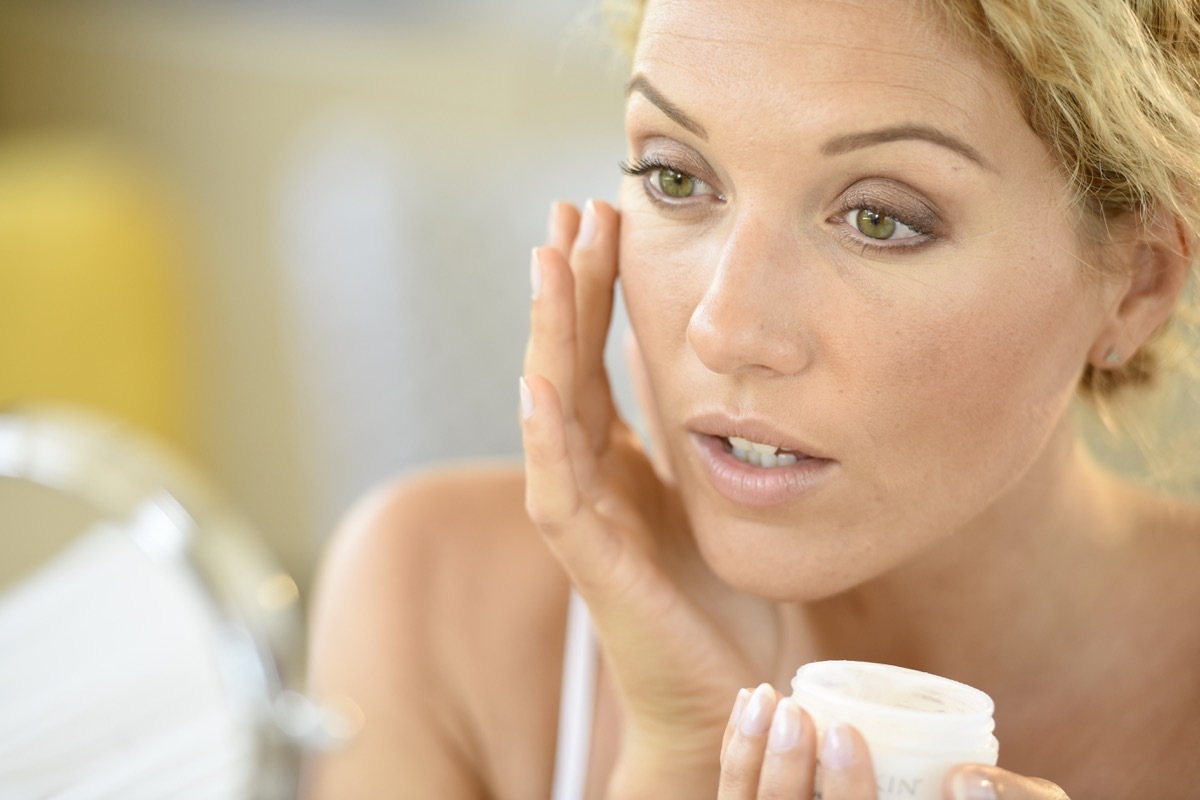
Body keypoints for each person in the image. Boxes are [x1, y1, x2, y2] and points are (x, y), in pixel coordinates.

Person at [301, 0, 1200, 797]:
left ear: (1137, 284)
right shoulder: (431, 604)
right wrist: (674, 761)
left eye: (878, 217)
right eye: (677, 178)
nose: (722, 329)